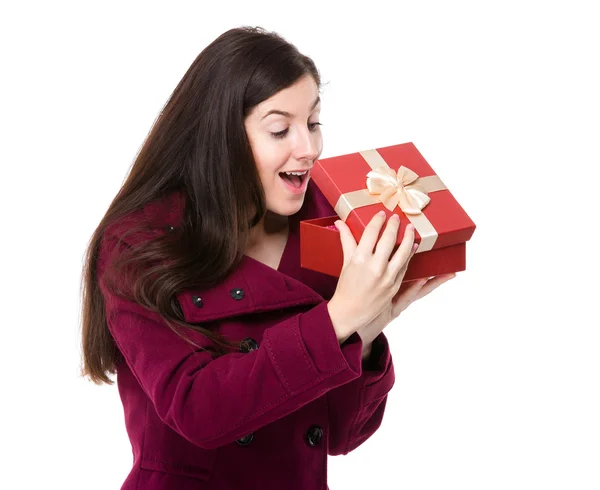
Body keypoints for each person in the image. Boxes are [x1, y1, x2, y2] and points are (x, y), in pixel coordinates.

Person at [79, 26, 455, 490]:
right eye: (280, 129)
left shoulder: (330, 226)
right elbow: (198, 410)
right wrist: (338, 319)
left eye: (314, 123)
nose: (310, 148)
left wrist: (367, 331)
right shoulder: (140, 243)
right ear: (220, 137)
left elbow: (342, 436)